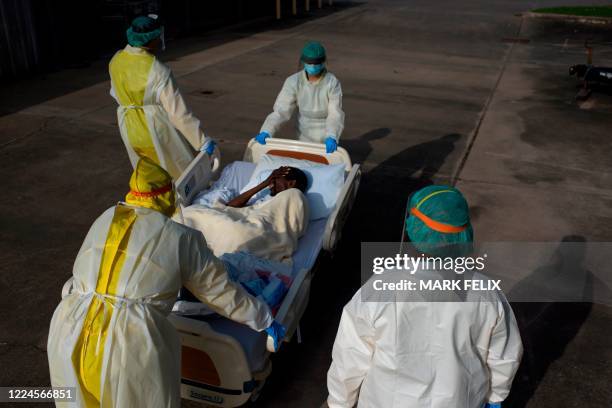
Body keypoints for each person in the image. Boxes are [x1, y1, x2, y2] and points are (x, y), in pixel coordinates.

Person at [47, 157, 285, 408]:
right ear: (166, 195)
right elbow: (221, 292)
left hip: (70, 327)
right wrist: (263, 318)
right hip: (128, 341)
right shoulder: (181, 237)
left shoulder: (105, 217)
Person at [326, 185, 523, 408]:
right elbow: (504, 355)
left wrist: (339, 403)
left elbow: (350, 356)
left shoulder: (380, 288)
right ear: (465, 232)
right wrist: (496, 397)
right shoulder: (486, 292)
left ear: (413, 228)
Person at [109, 15, 216, 179]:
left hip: (128, 127)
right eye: (158, 37)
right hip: (155, 129)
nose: (161, 40)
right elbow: (178, 114)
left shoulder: (116, 60)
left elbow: (115, 93)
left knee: (148, 177)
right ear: (150, 40)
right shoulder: (158, 70)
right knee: (181, 177)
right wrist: (202, 141)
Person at [254, 41, 345, 153]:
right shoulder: (294, 81)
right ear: (304, 62)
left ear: (323, 62)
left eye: (316, 63)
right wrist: (267, 130)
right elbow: (281, 110)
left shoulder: (332, 82)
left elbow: (335, 113)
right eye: (310, 63)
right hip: (303, 135)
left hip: (326, 136)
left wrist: (332, 135)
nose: (313, 66)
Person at [227, 166, 308, 208]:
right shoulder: (265, 196)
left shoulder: (291, 204)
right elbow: (231, 206)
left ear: (291, 183)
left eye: (275, 178)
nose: (270, 183)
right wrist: (265, 183)